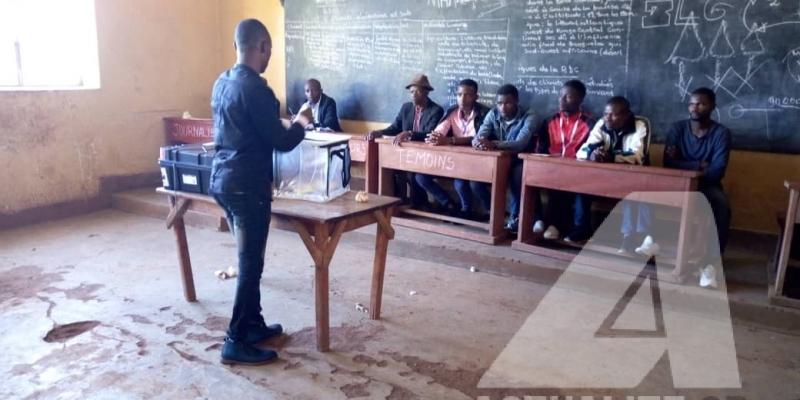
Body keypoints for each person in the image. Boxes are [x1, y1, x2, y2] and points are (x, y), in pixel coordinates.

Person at [210, 18, 313, 365]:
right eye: (270, 51)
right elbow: (282, 141)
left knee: (250, 257)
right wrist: (301, 122)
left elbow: (247, 130)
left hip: (223, 180)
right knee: (250, 263)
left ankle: (252, 324)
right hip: (247, 186)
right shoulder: (257, 90)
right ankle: (235, 339)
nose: (270, 57)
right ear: (263, 47)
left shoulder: (222, 81)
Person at [664, 87, 732, 289]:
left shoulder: (721, 133)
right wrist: (698, 165)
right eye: (692, 103)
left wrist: (686, 163)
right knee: (648, 193)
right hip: (677, 183)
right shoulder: (678, 129)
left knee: (721, 207)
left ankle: (711, 262)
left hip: (707, 186)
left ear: (712, 107)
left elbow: (717, 171)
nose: (695, 107)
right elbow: (668, 163)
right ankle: (654, 246)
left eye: (701, 103)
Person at [577, 96, 653, 255]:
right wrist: (593, 154)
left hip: (634, 178)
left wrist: (611, 157)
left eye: (613, 114)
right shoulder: (602, 124)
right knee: (580, 184)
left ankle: (629, 238)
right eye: (605, 114)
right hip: (605, 178)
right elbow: (583, 150)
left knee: (631, 191)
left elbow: (637, 156)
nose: (607, 118)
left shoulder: (640, 125)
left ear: (626, 115)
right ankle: (581, 229)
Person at [415, 79, 491, 219]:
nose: (462, 98)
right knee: (420, 177)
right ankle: (448, 204)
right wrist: (435, 137)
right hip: (452, 160)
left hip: (475, 162)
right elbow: (440, 130)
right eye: (459, 94)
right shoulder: (452, 111)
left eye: (467, 95)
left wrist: (450, 140)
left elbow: (478, 138)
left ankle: (467, 211)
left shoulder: (485, 113)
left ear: (476, 97)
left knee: (460, 182)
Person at [364, 74, 444, 207]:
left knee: (414, 173)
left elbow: (429, 133)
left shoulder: (436, 110)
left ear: (426, 92)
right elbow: (395, 128)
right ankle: (396, 203)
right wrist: (379, 132)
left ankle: (418, 204)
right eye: (411, 92)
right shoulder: (406, 108)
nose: (413, 95)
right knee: (392, 168)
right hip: (406, 153)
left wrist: (409, 133)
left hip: (426, 154)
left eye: (417, 91)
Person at [535, 80, 595, 242]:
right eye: (561, 96)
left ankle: (562, 226)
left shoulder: (590, 124)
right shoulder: (549, 121)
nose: (562, 100)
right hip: (551, 168)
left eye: (568, 97)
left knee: (573, 182)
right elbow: (541, 149)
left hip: (578, 171)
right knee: (527, 175)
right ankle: (539, 220)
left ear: (580, 99)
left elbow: (591, 151)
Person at [472, 84, 537, 231]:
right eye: (500, 103)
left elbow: (520, 143)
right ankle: (496, 213)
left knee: (517, 176)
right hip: (497, 159)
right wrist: (478, 142)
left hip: (519, 160)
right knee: (475, 181)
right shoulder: (493, 114)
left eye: (508, 103)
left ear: (516, 102)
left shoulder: (529, 115)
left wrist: (492, 144)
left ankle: (515, 218)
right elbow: (479, 137)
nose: (503, 108)